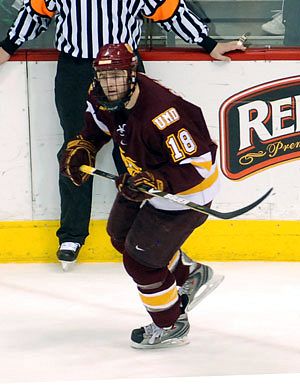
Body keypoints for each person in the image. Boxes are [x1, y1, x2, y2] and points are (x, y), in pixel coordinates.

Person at [0, 1, 246, 268]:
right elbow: (35, 13)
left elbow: (168, 10)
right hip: (75, 70)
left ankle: (144, 233)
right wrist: (6, 47)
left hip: (123, 70)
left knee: (132, 148)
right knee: (77, 149)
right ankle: (72, 234)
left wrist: (208, 43)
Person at [60, 43, 225, 348]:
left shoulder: (164, 113)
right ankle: (190, 273)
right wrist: (84, 147)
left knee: (141, 264)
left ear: (132, 73)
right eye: (104, 76)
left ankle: (171, 323)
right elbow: (96, 128)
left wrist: (157, 182)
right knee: (119, 235)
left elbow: (199, 168)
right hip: (143, 180)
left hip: (187, 193)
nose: (111, 84)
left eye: (118, 76)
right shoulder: (101, 95)